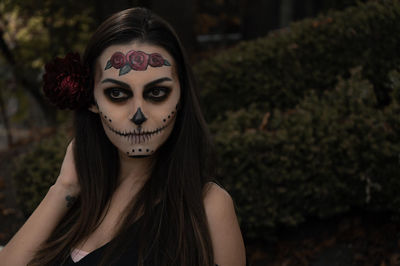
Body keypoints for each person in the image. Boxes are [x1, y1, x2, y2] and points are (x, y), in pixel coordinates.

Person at [0, 7, 246, 266]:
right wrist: (63, 188)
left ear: (182, 97)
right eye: (117, 94)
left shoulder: (208, 207)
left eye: (157, 93)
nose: (137, 114)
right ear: (91, 100)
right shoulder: (76, 195)